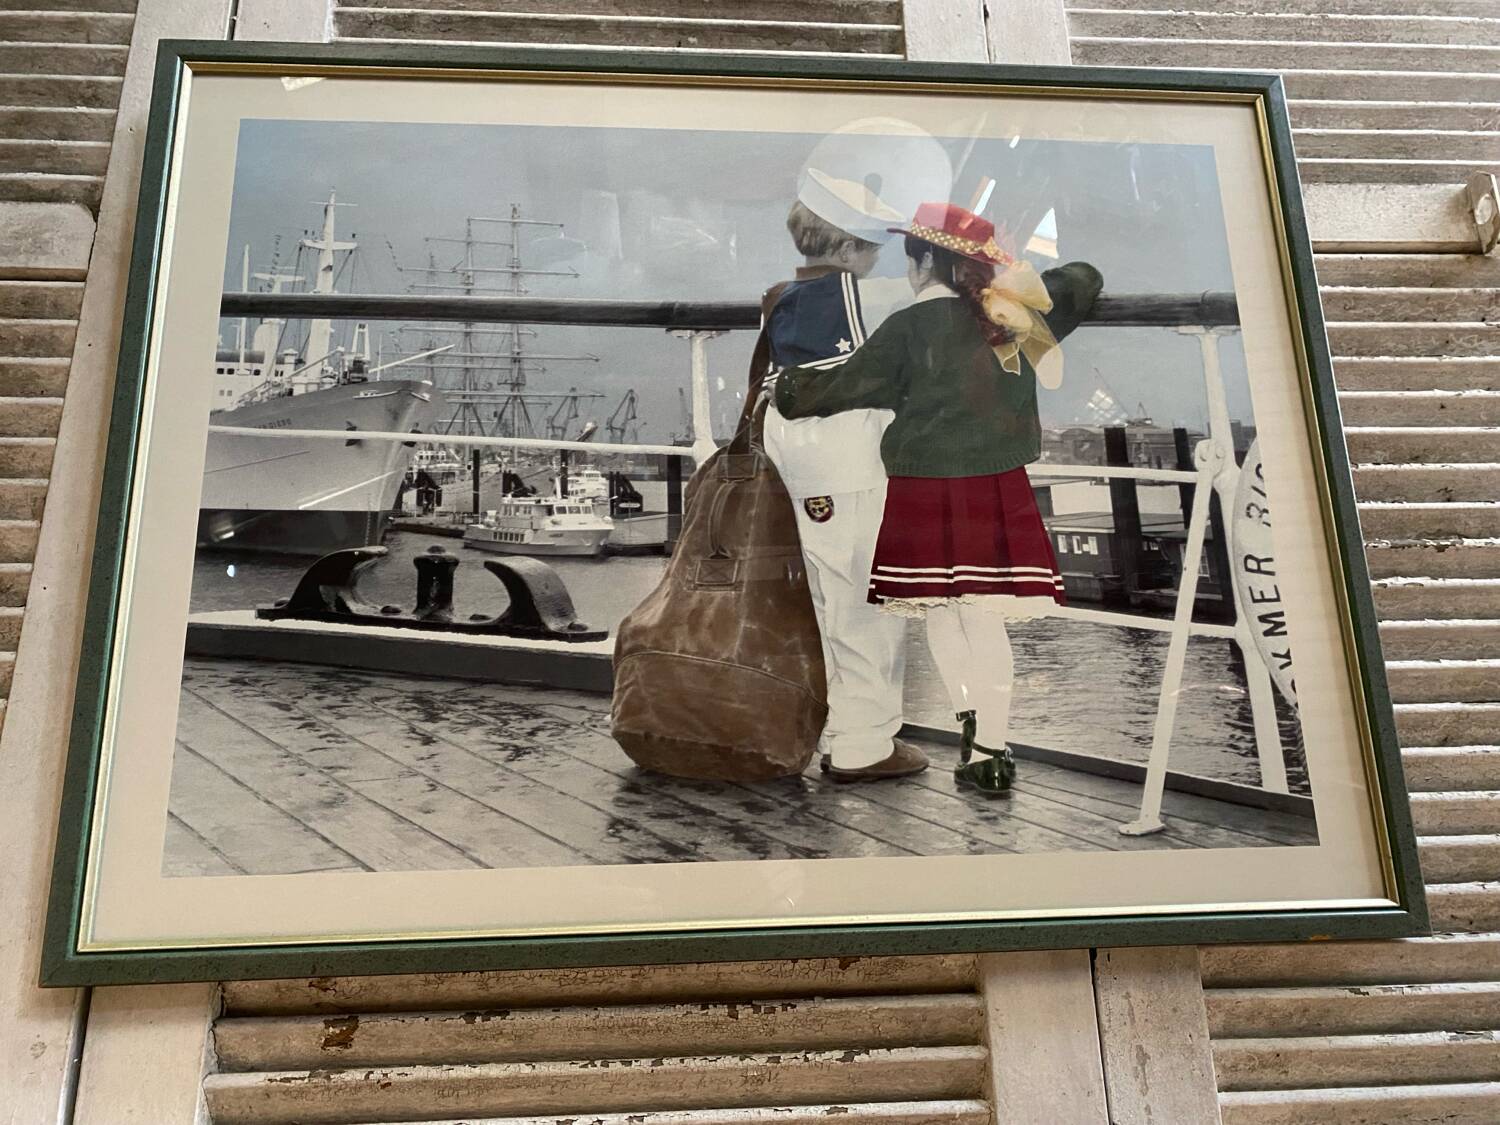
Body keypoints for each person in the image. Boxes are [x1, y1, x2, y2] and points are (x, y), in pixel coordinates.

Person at [771, 200, 1103, 797]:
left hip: (922, 486)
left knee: (943, 615)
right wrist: (1008, 279)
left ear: (923, 261)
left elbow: (836, 389)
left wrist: (787, 388)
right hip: (995, 483)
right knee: (984, 618)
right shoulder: (1013, 315)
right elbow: (1084, 277)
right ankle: (990, 749)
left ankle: (969, 722)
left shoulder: (905, 327)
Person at [759, 171, 928, 784]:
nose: (882, 255)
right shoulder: (873, 298)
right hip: (851, 464)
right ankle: (862, 745)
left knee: (830, 599)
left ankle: (838, 730)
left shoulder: (778, 297)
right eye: (873, 244)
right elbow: (962, 298)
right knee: (866, 603)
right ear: (850, 249)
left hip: (798, 466)